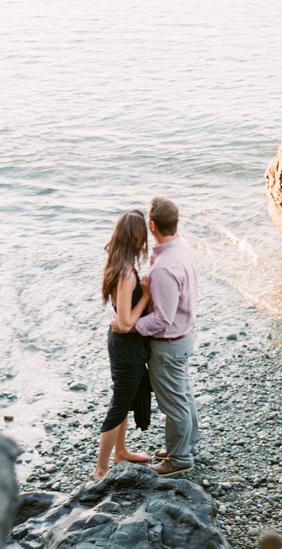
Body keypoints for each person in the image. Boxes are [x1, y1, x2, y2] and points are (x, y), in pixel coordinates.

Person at [112, 197, 199, 477]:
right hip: (184, 336)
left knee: (174, 403)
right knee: (183, 397)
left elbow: (163, 318)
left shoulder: (163, 267)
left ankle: (180, 459)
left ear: (151, 225)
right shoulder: (182, 247)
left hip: (169, 344)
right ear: (175, 222)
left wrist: (129, 326)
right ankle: (187, 445)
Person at [94, 209, 154, 480]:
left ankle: (121, 452)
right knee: (119, 404)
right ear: (136, 238)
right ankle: (101, 468)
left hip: (121, 344)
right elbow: (127, 322)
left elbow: (121, 318)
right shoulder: (128, 273)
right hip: (126, 347)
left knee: (125, 398)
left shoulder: (115, 262)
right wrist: (147, 296)